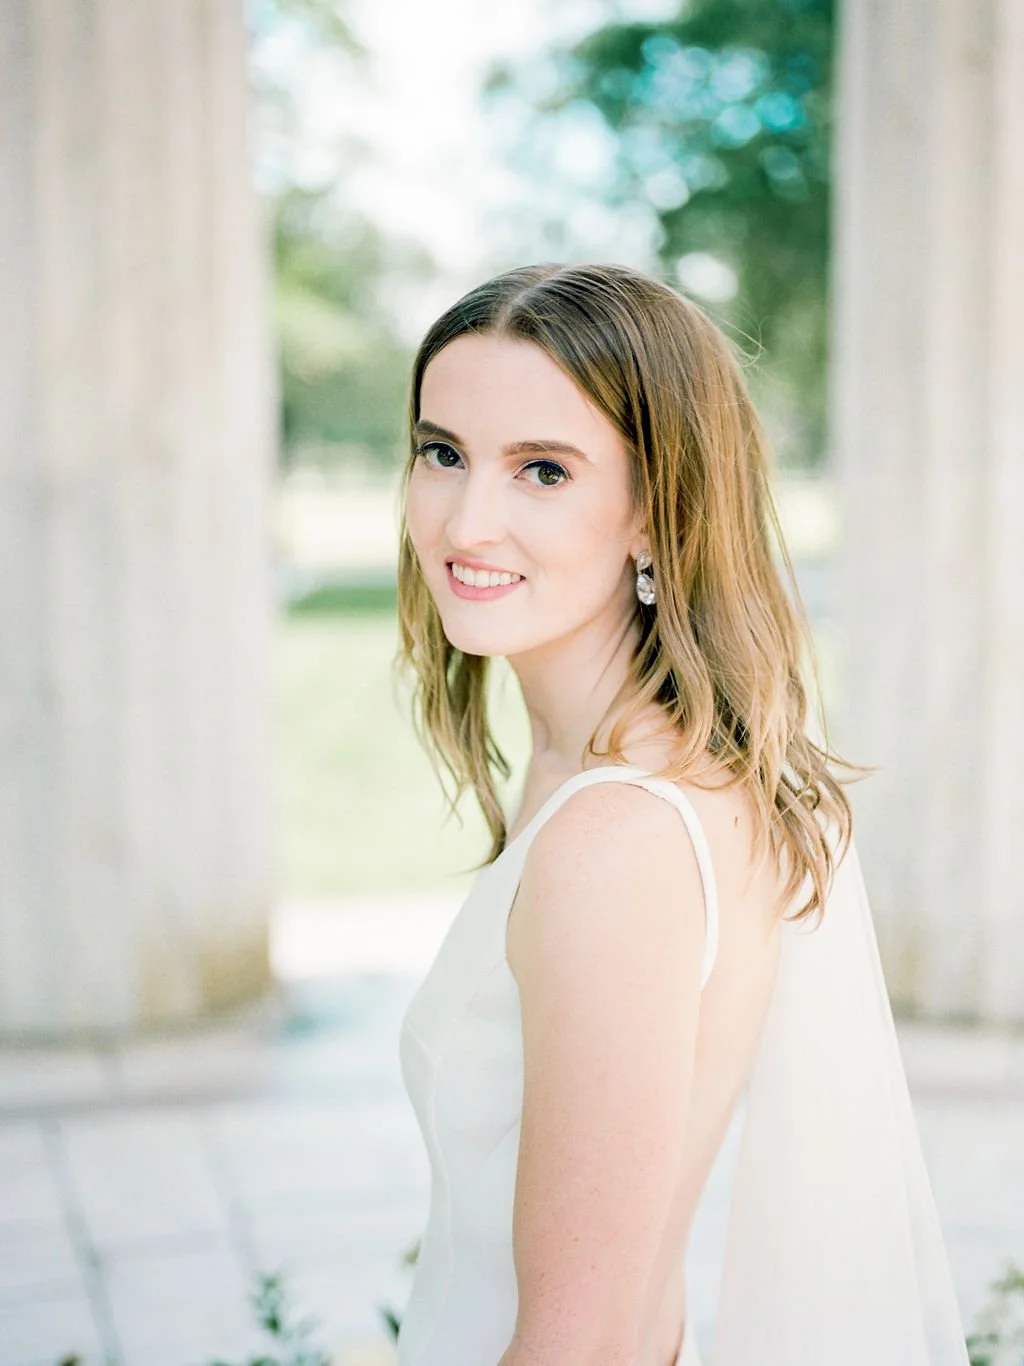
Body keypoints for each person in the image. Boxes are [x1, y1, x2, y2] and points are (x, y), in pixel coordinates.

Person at [391, 263, 970, 1365]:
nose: (467, 521)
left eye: (543, 470)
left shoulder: (618, 842)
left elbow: (586, 1343)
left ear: (656, 510)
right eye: (442, 452)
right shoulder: (597, 773)